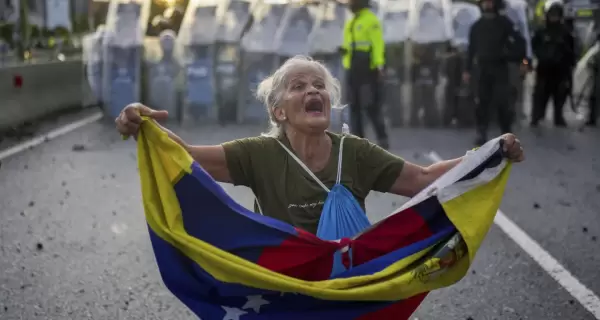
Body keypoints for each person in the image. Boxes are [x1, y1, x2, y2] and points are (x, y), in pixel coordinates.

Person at [115, 56, 525, 235]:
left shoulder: (355, 152)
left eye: (319, 86)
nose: (314, 91)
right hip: (282, 286)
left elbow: (422, 179)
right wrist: (140, 123)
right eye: (299, 87)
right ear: (278, 112)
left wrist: (488, 154)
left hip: (347, 286)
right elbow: (183, 156)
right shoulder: (258, 155)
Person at [464, 0, 526, 146]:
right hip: (483, 68)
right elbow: (471, 49)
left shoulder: (505, 23)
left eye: (490, 1)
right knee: (481, 102)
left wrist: (511, 56)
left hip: (500, 68)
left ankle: (507, 133)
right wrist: (467, 69)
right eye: (485, 2)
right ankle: (481, 131)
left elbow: (519, 42)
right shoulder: (477, 26)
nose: (488, 4)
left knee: (503, 101)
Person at [339, 0, 389, 149]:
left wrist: (379, 66)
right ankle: (357, 139)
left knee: (370, 105)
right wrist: (344, 51)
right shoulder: (351, 20)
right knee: (353, 105)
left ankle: (383, 138)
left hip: (367, 68)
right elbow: (349, 43)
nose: (349, 4)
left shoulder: (371, 20)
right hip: (352, 67)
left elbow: (378, 44)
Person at [530, 0, 575, 127]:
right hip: (544, 68)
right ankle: (537, 116)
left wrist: (570, 65)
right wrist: (541, 56)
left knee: (560, 95)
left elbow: (571, 50)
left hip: (560, 69)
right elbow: (534, 46)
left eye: (556, 15)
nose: (553, 17)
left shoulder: (565, 32)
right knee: (540, 94)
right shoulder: (541, 31)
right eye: (551, 14)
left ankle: (558, 116)